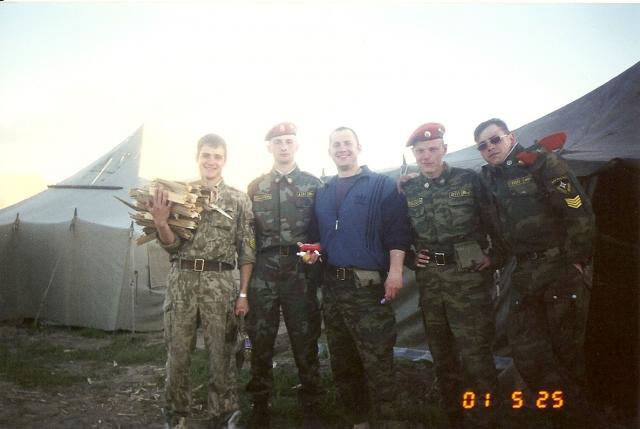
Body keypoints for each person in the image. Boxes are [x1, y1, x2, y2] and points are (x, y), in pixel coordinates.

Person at [473, 118, 595, 428]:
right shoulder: (489, 180)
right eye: (483, 145)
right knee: (527, 351)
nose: (490, 148)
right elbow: (501, 231)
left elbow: (577, 207)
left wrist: (576, 260)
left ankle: (578, 420)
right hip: (525, 273)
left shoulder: (541, 162)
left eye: (495, 140)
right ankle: (560, 415)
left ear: (510, 136)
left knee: (567, 353)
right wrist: (494, 258)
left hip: (560, 269)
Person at [149, 133, 255, 429]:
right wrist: (160, 222)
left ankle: (224, 414)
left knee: (222, 353)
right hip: (182, 281)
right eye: (206, 155)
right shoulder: (179, 194)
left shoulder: (238, 199)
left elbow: (247, 251)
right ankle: (176, 415)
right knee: (177, 352)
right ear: (198, 157)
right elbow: (171, 246)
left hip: (220, 283)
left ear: (225, 160)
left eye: (217, 156)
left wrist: (243, 294)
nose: (211, 161)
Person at [311, 126, 412, 428]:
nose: (342, 149)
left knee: (377, 361)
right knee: (343, 362)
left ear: (358, 147)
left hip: (367, 288)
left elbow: (397, 232)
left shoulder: (381, 185)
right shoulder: (323, 192)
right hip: (333, 288)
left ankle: (389, 421)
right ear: (329, 151)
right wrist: (312, 254)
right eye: (336, 144)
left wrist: (395, 272)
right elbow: (317, 237)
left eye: (347, 143)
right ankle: (359, 421)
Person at [402, 123, 499, 428]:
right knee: (442, 357)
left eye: (433, 149)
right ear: (414, 154)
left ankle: (487, 420)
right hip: (431, 285)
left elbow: (497, 222)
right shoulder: (408, 189)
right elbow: (399, 232)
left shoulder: (469, 180)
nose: (427, 156)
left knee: (477, 357)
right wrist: (410, 258)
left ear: (444, 149)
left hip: (468, 282)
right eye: (420, 151)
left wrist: (494, 256)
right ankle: (453, 419)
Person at [245, 122, 324, 428]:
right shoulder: (256, 187)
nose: (283, 146)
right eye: (278, 142)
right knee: (261, 338)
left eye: (289, 141)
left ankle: (312, 405)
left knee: (304, 339)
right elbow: (249, 233)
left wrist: (316, 256)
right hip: (264, 270)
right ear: (270, 147)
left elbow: (321, 229)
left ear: (296, 145)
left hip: (299, 270)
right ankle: (260, 405)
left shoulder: (313, 185)